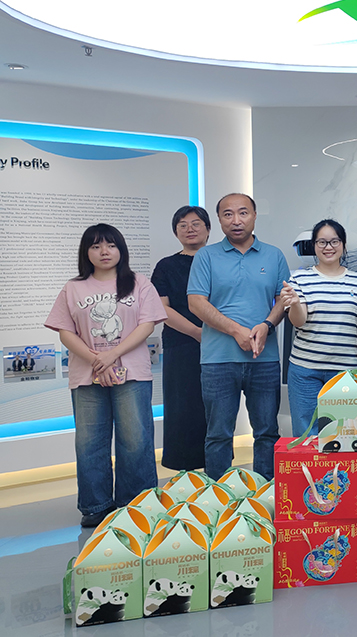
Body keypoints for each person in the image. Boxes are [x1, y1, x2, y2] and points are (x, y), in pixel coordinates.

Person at [45, 224, 166, 527]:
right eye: (96, 246)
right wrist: (96, 359)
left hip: (132, 374)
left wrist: (112, 354)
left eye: (111, 245)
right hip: (87, 375)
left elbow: (147, 325)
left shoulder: (139, 283)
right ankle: (95, 505)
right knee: (90, 442)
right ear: (86, 252)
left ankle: (136, 504)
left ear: (121, 249)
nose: (104, 252)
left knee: (135, 440)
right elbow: (65, 331)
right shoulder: (73, 287)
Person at [188, 193, 290, 481]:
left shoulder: (273, 255)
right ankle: (219, 495)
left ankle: (266, 492)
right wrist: (236, 330)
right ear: (219, 220)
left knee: (267, 432)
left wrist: (266, 325)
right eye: (228, 214)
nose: (236, 220)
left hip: (264, 359)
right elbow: (196, 302)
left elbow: (284, 299)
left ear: (254, 216)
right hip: (218, 360)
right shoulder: (206, 256)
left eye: (243, 213)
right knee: (218, 434)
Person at [279, 219, 357, 436]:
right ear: (314, 245)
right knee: (306, 435)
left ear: (343, 244)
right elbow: (298, 321)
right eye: (322, 242)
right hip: (305, 369)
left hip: (345, 371)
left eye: (334, 241)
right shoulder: (300, 278)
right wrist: (294, 303)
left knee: (344, 435)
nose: (328, 247)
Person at [151, 205, 211, 471]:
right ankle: (182, 471)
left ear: (208, 228)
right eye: (182, 225)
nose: (190, 229)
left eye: (196, 223)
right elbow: (162, 309)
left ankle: (216, 466)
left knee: (216, 407)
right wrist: (196, 332)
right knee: (182, 407)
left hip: (220, 342)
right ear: (175, 232)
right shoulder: (166, 266)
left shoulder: (219, 260)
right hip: (181, 344)